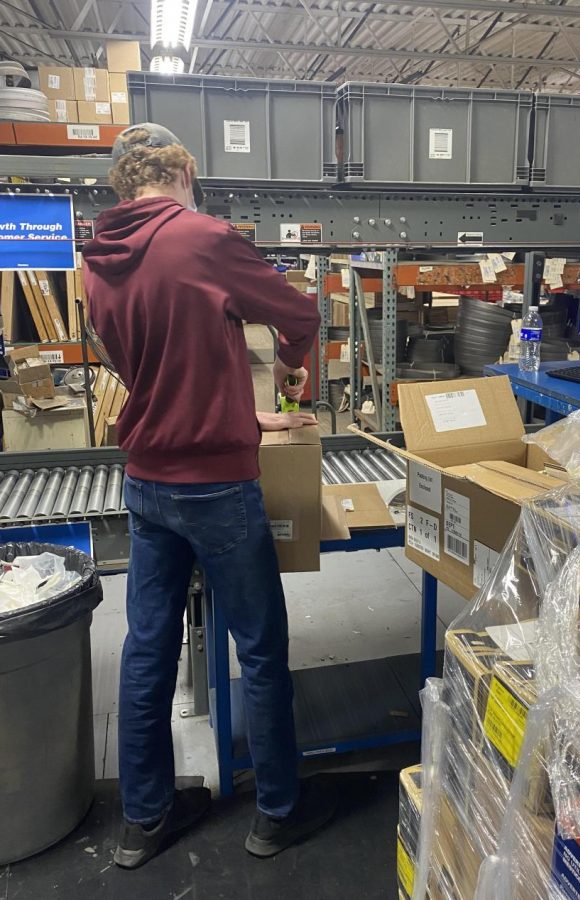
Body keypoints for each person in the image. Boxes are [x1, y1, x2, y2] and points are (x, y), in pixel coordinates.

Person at [83, 123, 334, 870]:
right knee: (258, 648)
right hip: (218, 486)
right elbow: (299, 316)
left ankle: (143, 820)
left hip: (146, 480)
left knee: (147, 652)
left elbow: (148, 367)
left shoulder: (96, 259)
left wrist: (233, 406)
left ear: (123, 187)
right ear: (185, 170)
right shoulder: (205, 236)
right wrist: (290, 373)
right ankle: (278, 814)